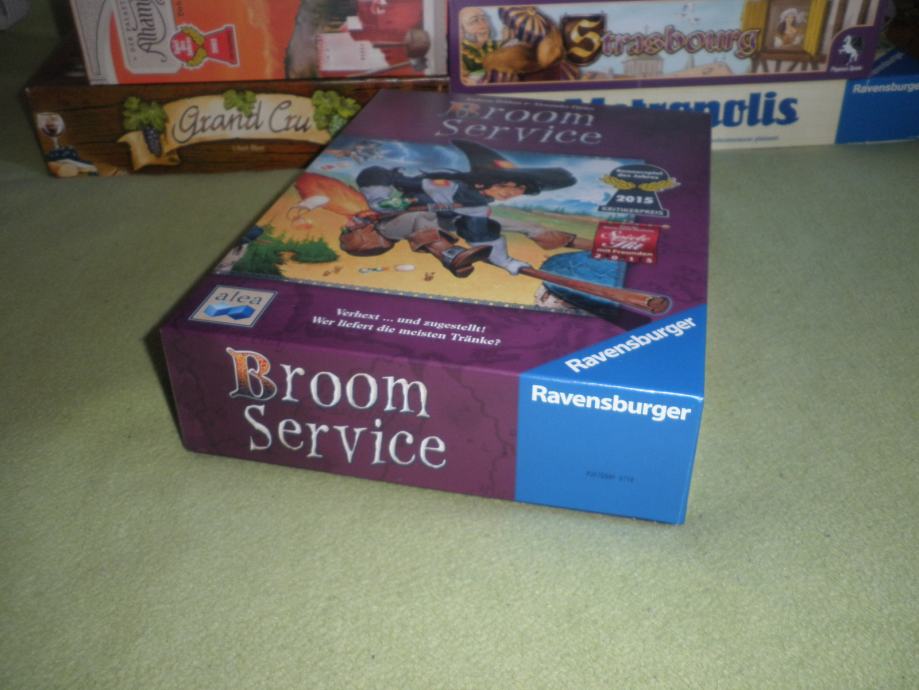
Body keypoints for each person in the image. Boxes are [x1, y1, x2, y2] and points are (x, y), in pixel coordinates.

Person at [349, 139, 576, 277]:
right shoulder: (445, 184)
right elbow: (376, 175)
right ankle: (450, 255)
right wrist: (382, 200)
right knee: (423, 217)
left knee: (484, 225)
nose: (511, 193)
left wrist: (507, 263)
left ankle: (459, 257)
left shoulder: (477, 205)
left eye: (519, 190)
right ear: (483, 182)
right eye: (505, 186)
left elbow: (480, 235)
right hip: (389, 225)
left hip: (434, 224)